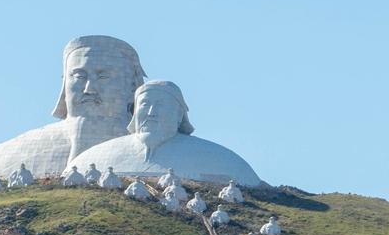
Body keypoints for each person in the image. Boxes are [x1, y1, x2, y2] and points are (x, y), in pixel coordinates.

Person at [0, 36, 147, 182]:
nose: (89, 89)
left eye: (103, 77)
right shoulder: (1, 160)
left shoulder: (164, 152)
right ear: (65, 83)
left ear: (132, 85)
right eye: (79, 76)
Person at [69, 80, 262, 187]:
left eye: (160, 105)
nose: (151, 112)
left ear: (179, 115)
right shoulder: (91, 158)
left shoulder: (227, 163)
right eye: (145, 104)